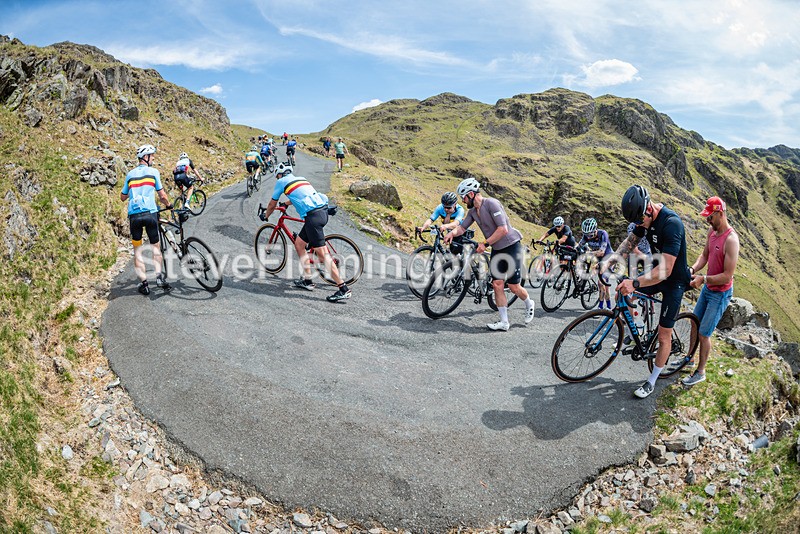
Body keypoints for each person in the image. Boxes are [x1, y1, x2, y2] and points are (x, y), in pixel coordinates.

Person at [616, 185, 692, 399]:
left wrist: (636, 283)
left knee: (663, 334)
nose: (639, 225)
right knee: (622, 292)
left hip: (674, 281)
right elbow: (630, 243)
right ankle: (636, 333)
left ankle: (652, 381)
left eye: (641, 221)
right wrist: (610, 261)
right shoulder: (643, 219)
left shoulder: (671, 224)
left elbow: (666, 269)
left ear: (649, 209)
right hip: (656, 273)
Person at [444, 177, 536, 331]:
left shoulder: (492, 204)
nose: (463, 201)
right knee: (497, 284)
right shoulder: (473, 211)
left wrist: (485, 244)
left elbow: (503, 229)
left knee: (513, 286)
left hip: (511, 246)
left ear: (472, 194)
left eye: (464, 197)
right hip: (497, 248)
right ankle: (504, 322)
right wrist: (452, 234)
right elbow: (463, 227)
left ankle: (529, 303)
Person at [262, 164, 351, 303]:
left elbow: (272, 204)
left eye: (277, 177)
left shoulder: (281, 182)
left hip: (313, 217)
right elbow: (302, 195)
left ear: (279, 175)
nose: (277, 179)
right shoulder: (300, 179)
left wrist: (266, 215)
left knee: (322, 255)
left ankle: (343, 288)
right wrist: (286, 203)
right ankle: (307, 280)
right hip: (321, 212)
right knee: (299, 244)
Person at [682, 196, 740, 386]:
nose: (708, 220)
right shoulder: (712, 232)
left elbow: (727, 275)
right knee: (694, 323)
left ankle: (700, 372)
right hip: (707, 288)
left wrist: (703, 279)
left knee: (704, 333)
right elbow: (705, 255)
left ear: (720, 214)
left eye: (710, 216)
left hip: (720, 292)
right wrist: (693, 270)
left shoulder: (731, 240)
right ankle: (689, 360)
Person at [120, 144, 173, 295]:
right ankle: (159, 278)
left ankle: (144, 285)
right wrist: (169, 206)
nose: (154, 158)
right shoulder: (153, 172)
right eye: (152, 156)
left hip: (135, 217)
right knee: (156, 247)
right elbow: (162, 196)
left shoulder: (130, 175)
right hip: (150, 214)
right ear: (146, 157)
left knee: (137, 251)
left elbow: (122, 197)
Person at [578, 218, 614, 309]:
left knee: (602, 283)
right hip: (598, 259)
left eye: (590, 235)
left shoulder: (603, 234)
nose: (588, 237)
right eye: (586, 235)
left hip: (608, 259)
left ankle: (604, 307)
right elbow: (578, 246)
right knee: (591, 275)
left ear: (595, 230)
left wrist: (588, 253)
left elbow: (602, 252)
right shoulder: (586, 236)